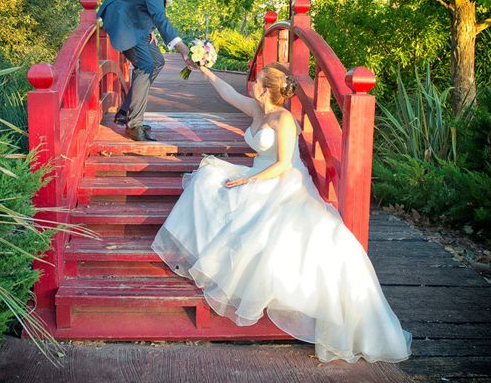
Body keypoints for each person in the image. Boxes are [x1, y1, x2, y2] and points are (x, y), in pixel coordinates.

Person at [151, 63, 412, 363]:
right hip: (258, 173)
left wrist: (248, 180)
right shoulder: (257, 108)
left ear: (264, 88)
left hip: (279, 180)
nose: (251, 83)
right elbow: (227, 94)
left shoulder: (283, 119)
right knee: (208, 176)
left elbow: (283, 165)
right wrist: (203, 70)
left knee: (260, 222)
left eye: (257, 80)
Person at [97, 0, 196, 141]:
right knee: (145, 64)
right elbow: (159, 14)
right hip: (122, 20)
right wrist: (181, 47)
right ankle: (134, 126)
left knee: (157, 61)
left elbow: (151, 6)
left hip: (137, 21)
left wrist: (149, 28)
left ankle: (125, 111)